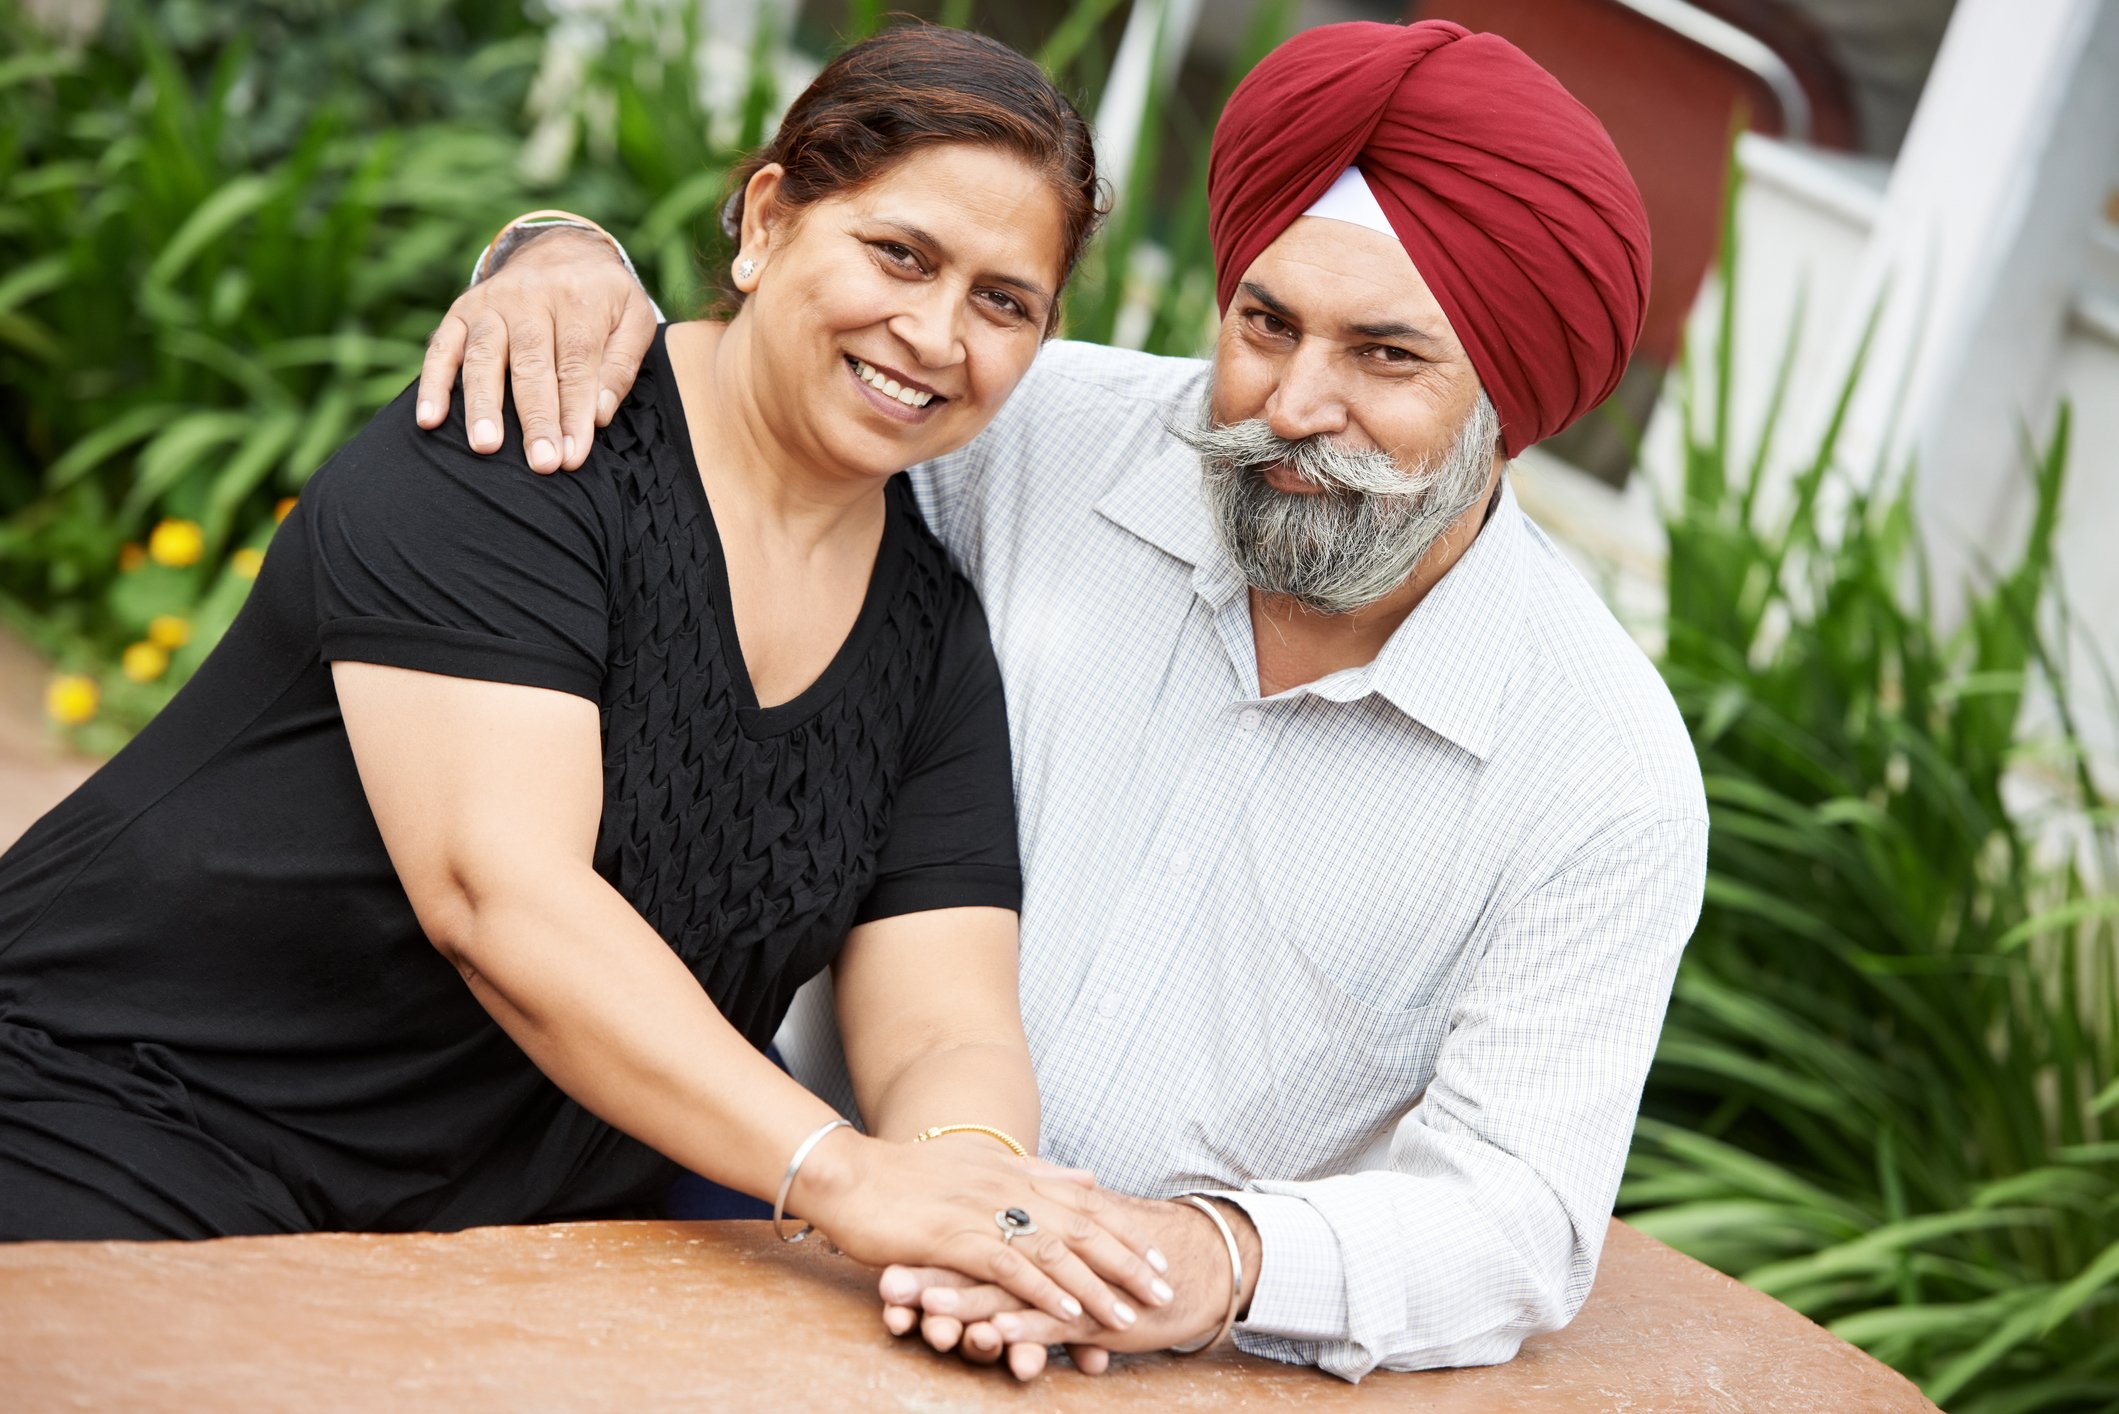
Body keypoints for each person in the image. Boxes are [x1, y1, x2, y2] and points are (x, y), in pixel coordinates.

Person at [420, 17, 1708, 1384]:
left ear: (1513, 401)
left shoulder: (1600, 772)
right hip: (765, 1230)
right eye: (1266, 325)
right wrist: (561, 257)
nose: (1294, 404)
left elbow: (1518, 1213)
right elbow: (752, 403)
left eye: (1386, 357)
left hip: (1147, 1363)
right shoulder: (1031, 435)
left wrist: (1202, 1258)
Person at [0, 25, 1180, 1336]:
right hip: (132, 1118)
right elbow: (499, 893)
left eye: (1004, 302)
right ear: (768, 221)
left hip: (493, 1249)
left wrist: (981, 1203)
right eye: (900, 254)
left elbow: (942, 1023)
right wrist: (846, 1176)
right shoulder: (528, 438)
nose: (935, 331)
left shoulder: (930, 632)